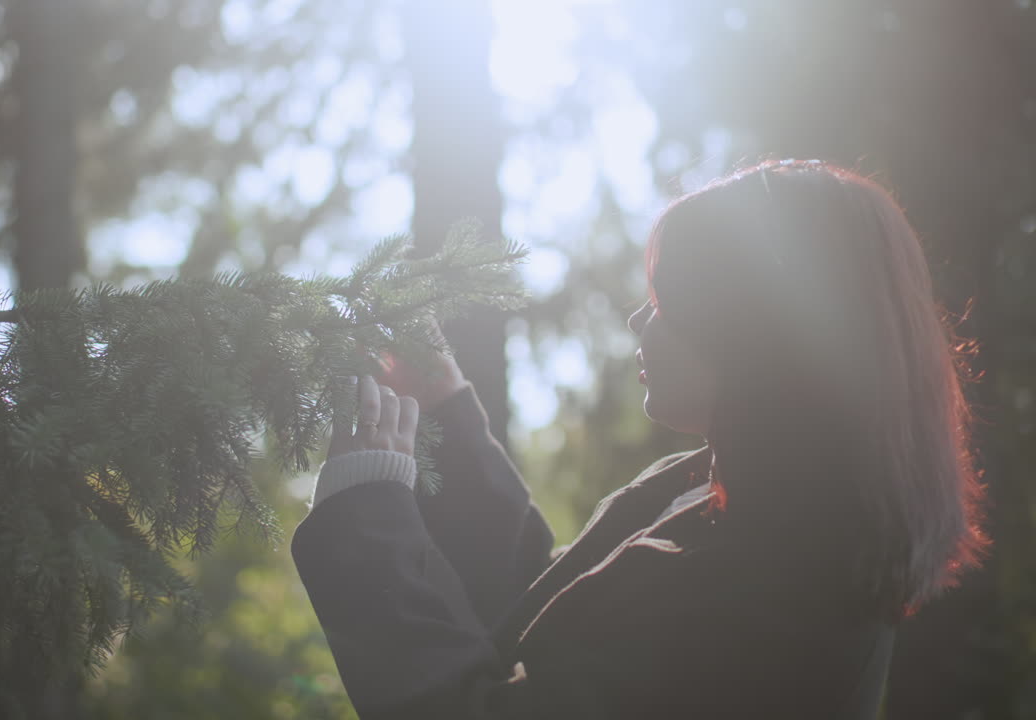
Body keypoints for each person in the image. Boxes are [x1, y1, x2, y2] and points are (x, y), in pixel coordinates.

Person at [291, 160, 988, 718]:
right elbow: (546, 614)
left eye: (665, 301)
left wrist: (366, 514)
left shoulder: (773, 590)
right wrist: (445, 412)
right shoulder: (723, 497)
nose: (635, 318)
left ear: (752, 330)